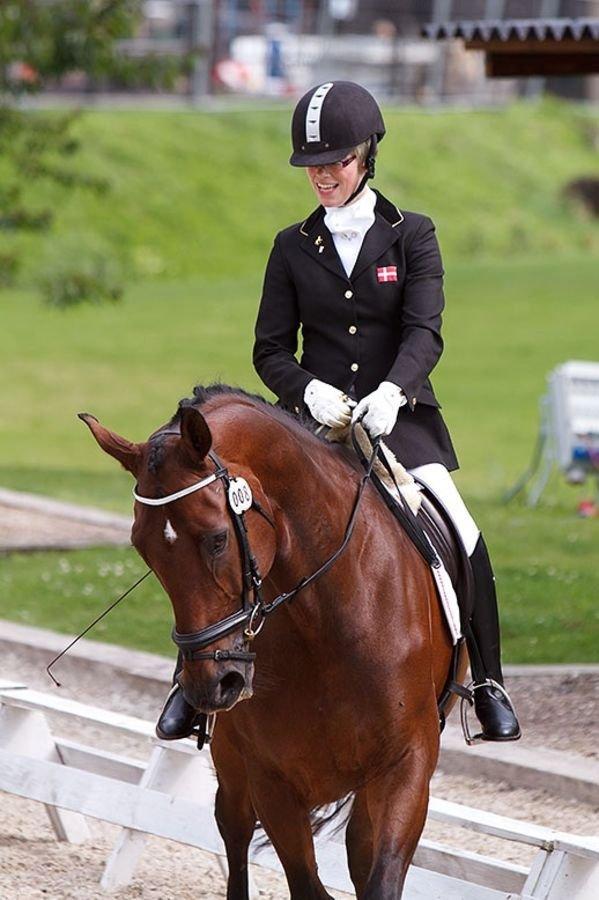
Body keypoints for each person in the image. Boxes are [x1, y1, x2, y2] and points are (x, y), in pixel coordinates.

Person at [156, 80, 520, 743]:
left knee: (464, 535)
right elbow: (269, 349)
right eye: (312, 166)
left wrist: (391, 392)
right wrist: (306, 393)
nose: (323, 176)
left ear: (366, 155)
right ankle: (187, 685)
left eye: (337, 162)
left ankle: (488, 683)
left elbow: (423, 334)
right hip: (307, 428)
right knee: (225, 532)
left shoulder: (412, 236)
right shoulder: (291, 246)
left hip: (397, 422)